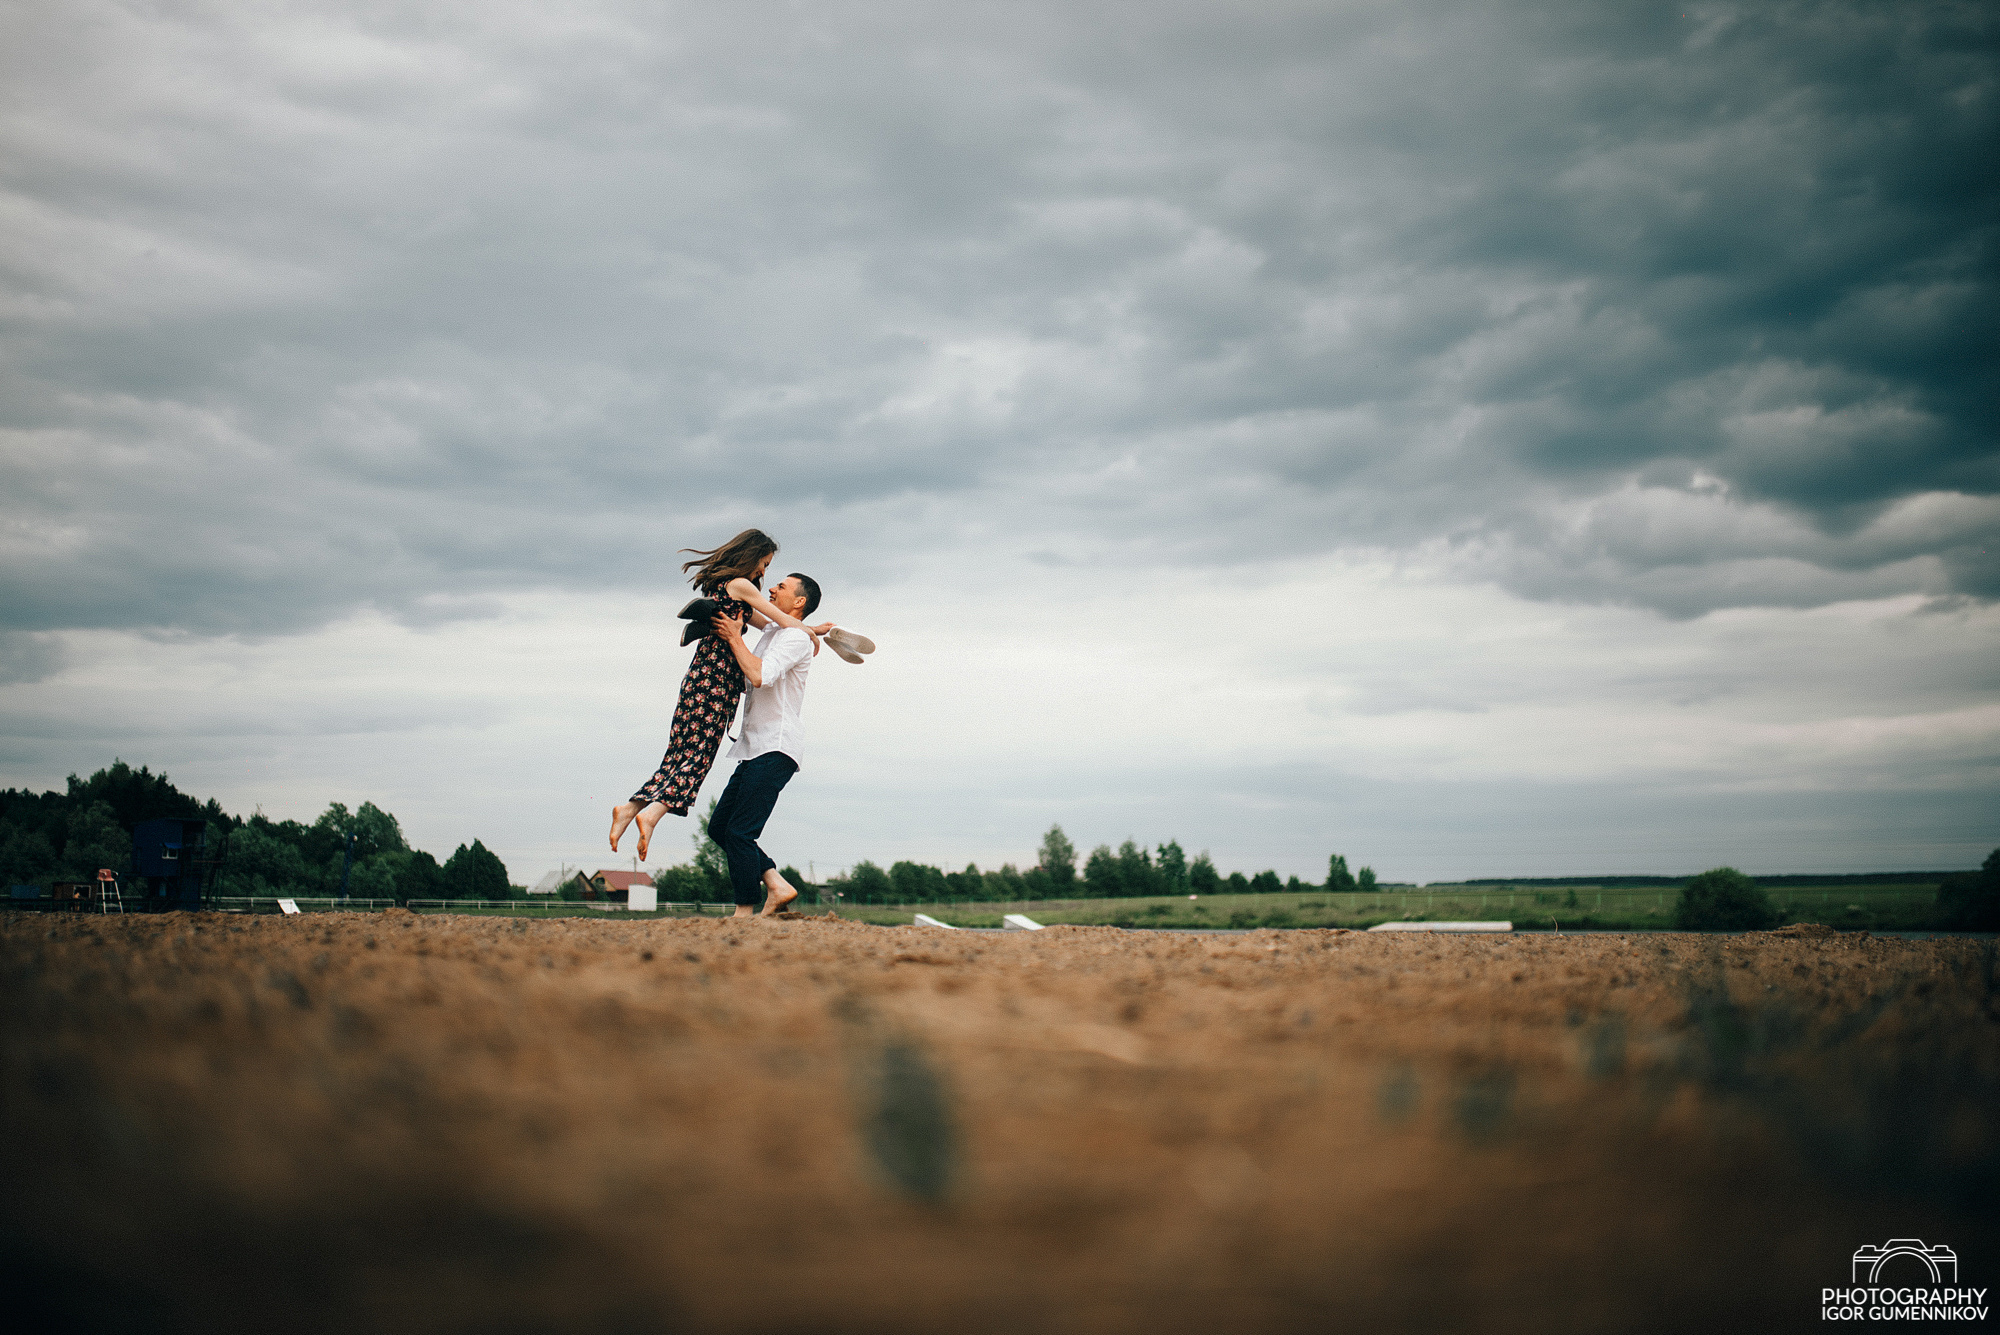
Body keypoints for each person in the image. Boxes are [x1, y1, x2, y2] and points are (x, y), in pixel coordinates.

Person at [610, 530, 830, 859]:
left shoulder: (729, 591)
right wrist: (809, 635)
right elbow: (781, 619)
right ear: (751, 556)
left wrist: (809, 629)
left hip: (702, 679)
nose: (763, 573)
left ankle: (631, 809)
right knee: (698, 757)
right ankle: (651, 815)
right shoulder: (740, 585)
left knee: (681, 755)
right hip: (715, 683)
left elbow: (772, 625)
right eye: (764, 564)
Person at [705, 572, 821, 916]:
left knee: (741, 832)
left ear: (799, 601)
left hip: (776, 747)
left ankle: (744, 911)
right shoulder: (777, 630)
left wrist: (733, 637)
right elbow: (749, 608)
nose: (771, 588)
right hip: (755, 748)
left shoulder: (794, 639)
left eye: (781, 587)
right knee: (720, 828)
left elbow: (758, 675)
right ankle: (775, 882)